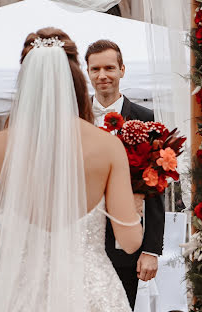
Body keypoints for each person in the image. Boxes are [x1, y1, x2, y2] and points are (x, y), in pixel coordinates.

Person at [0, 27, 143, 311]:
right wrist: (136, 202)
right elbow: (129, 242)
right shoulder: (107, 146)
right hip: (91, 293)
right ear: (75, 80)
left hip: (21, 292)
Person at [85, 39, 166, 309]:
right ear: (87, 72)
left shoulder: (147, 120)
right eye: (95, 69)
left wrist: (151, 249)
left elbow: (156, 189)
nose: (102, 75)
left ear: (122, 69)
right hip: (80, 242)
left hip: (126, 245)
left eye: (109, 67)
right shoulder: (74, 117)